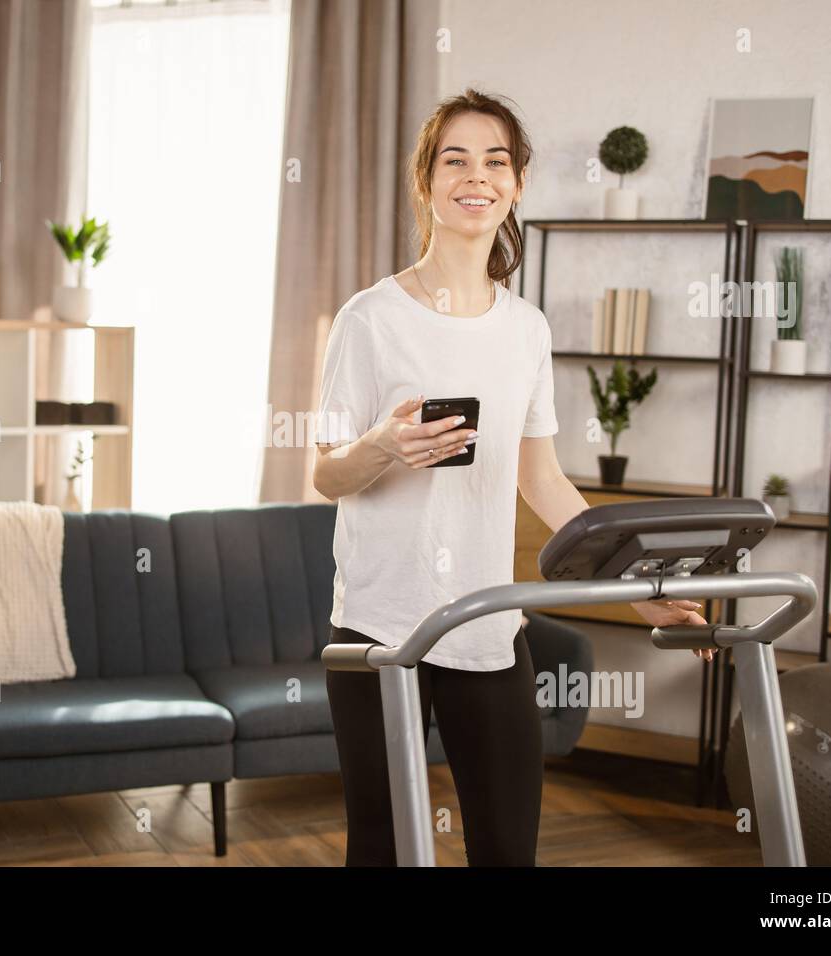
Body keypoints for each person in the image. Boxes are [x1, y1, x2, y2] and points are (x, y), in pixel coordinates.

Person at [312, 88, 712, 867]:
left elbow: (546, 484)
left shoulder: (526, 329)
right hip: (380, 627)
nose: (477, 176)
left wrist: (644, 588)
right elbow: (327, 474)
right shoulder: (370, 318)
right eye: (454, 159)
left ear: (518, 183)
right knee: (383, 849)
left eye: (496, 160)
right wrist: (386, 447)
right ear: (426, 181)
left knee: (506, 850)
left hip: (488, 627)